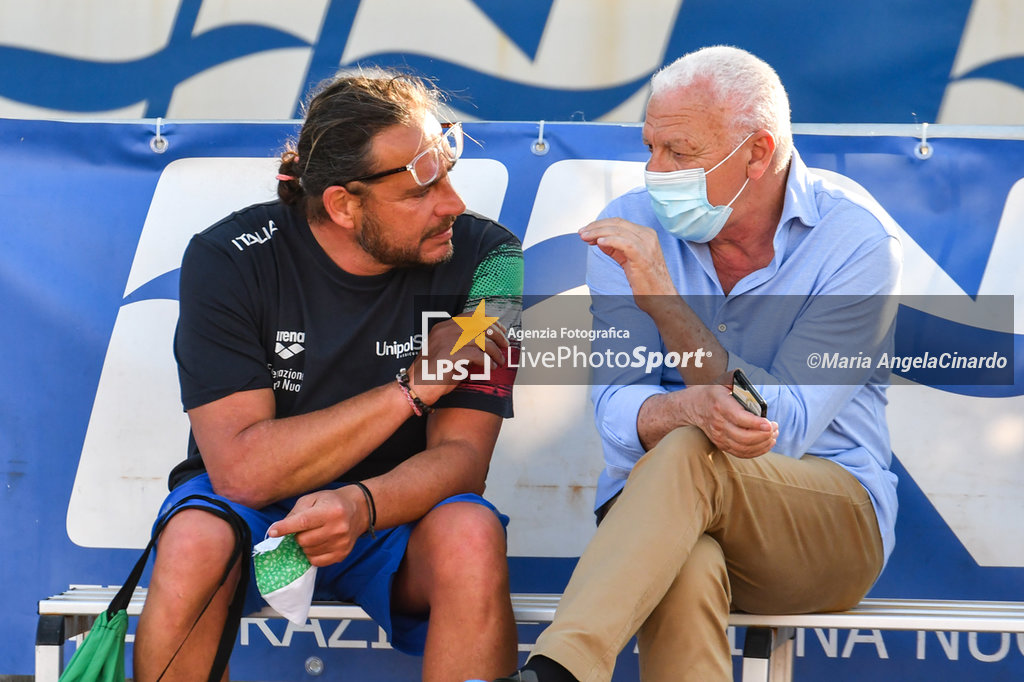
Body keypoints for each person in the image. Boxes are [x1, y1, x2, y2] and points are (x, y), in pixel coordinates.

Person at [496, 45, 902, 682]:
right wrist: (688, 405)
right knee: (683, 562)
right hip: (663, 521)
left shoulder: (856, 245)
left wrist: (664, 303)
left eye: (680, 154)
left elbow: (778, 428)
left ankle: (555, 673)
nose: (656, 173)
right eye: (650, 147)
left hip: (828, 524)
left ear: (758, 153)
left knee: (693, 446)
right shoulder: (627, 223)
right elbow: (613, 411)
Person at [133, 69, 524, 682]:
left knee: (470, 533)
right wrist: (408, 391)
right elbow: (241, 471)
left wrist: (361, 505)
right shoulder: (226, 257)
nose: (453, 204)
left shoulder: (493, 261)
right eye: (422, 189)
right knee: (193, 543)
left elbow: (462, 458)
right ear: (343, 204)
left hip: (399, 510)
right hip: (254, 510)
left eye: (448, 171)